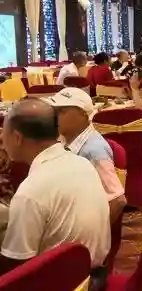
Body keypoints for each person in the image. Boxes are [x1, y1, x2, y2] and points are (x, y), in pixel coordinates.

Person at [0, 99, 110, 291]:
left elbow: (15, 268)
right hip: (95, 276)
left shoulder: (31, 192)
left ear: (17, 138)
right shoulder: (81, 163)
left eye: (3, 132)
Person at [48, 88, 126, 223]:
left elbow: (117, 200)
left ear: (83, 114)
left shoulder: (94, 151)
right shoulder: (64, 138)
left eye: (61, 111)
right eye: (53, 111)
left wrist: (97, 231)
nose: (54, 117)